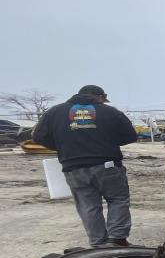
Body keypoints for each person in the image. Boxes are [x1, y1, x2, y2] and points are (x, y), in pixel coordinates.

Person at [33, 85, 138, 247]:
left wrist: (62, 146)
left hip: (73, 167)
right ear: (99, 97)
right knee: (117, 199)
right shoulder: (110, 112)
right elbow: (130, 136)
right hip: (107, 165)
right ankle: (117, 239)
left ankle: (98, 243)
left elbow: (38, 136)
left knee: (88, 205)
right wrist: (107, 142)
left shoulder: (54, 112)